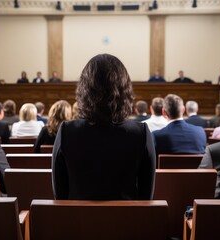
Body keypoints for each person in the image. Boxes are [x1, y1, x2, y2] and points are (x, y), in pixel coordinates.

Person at [52, 54, 156, 200]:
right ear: (124, 89)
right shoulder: (141, 133)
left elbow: (60, 195)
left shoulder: (67, 131)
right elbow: (146, 198)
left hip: (77, 221)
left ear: (84, 89)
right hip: (127, 221)